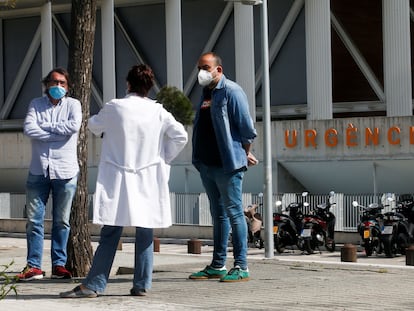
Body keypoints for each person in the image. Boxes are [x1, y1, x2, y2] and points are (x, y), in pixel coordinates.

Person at [60, 64, 188, 298]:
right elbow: (181, 135)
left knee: (111, 231)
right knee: (145, 231)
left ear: (128, 84)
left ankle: (95, 284)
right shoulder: (158, 112)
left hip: (118, 178)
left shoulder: (115, 107)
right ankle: (142, 284)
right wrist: (163, 157)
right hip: (148, 178)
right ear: (149, 87)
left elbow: (94, 125)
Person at [189, 52, 258, 282]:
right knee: (218, 215)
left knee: (235, 214)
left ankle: (241, 266)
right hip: (207, 164)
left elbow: (246, 128)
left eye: (206, 67)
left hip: (227, 166)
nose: (201, 72)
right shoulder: (206, 92)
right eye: (199, 67)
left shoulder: (232, 91)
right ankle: (218, 264)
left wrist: (245, 152)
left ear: (218, 70)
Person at [17, 67, 82, 281]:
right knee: (34, 221)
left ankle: (59, 265)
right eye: (54, 82)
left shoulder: (74, 105)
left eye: (62, 83)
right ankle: (33, 266)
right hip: (39, 170)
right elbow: (29, 129)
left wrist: (45, 130)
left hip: (65, 171)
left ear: (68, 86)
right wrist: (56, 132)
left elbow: (73, 127)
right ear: (47, 85)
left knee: (61, 221)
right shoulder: (36, 104)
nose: (58, 87)